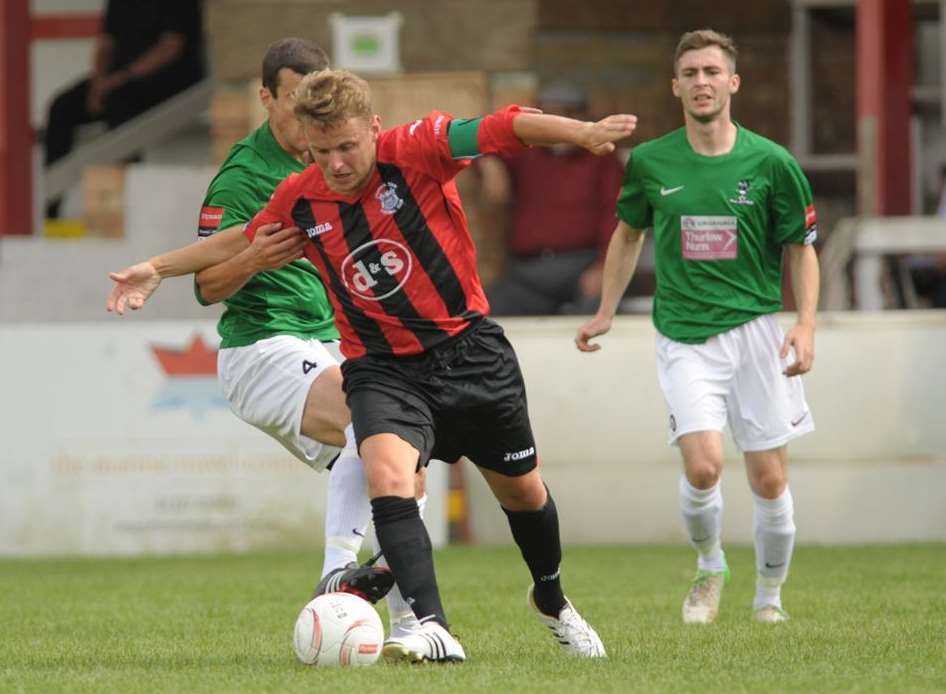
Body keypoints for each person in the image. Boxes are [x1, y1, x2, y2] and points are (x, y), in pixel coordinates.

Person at [111, 67, 636, 662]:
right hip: (382, 369)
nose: (334, 163)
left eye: (346, 147)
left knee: (522, 493)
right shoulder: (301, 197)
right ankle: (430, 626)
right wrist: (157, 266)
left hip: (470, 354)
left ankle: (551, 598)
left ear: (374, 129)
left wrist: (583, 132)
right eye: (320, 151)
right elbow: (238, 239)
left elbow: (503, 127)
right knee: (384, 471)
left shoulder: (419, 149)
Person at [106, 38, 424, 638]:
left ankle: (411, 626)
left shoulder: (332, 162)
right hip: (263, 347)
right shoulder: (243, 178)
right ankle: (335, 577)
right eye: (294, 99)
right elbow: (210, 285)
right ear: (266, 98)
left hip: (334, 342)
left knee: (405, 462)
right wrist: (251, 259)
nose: (309, 115)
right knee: (375, 421)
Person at [576, 29, 819, 625]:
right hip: (684, 335)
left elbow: (801, 247)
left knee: (768, 478)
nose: (702, 82)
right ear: (676, 85)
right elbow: (628, 234)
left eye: (712, 71)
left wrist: (806, 325)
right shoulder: (653, 162)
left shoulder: (772, 163)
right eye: (691, 73)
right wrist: (606, 310)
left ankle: (769, 599)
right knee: (704, 465)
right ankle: (710, 567)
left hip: (759, 334)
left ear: (732, 82)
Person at [45, 0, 205, 217]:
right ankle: (51, 208)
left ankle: (128, 204)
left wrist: (123, 77)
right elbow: (105, 44)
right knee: (61, 107)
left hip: (171, 78)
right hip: (117, 80)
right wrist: (98, 84)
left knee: (120, 102)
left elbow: (171, 46)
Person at [480, 82, 626, 315]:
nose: (558, 125)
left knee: (597, 314)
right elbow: (484, 137)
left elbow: (617, 214)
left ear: (583, 117)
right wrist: (489, 162)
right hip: (528, 272)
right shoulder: (525, 151)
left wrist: (604, 268)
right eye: (550, 116)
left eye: (567, 114)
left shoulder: (602, 156)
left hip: (582, 266)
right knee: (483, 317)